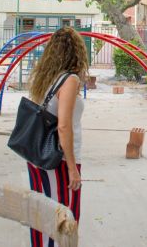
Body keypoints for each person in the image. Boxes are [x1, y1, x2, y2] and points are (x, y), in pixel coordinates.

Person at [25, 26, 87, 247]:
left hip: (39, 157)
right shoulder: (69, 80)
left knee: (43, 213)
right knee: (62, 217)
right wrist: (72, 167)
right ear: (76, 52)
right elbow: (63, 126)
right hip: (58, 160)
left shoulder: (49, 78)